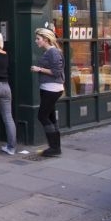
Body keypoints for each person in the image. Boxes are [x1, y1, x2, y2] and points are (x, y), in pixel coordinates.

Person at [30, 27, 65, 157]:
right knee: (50, 117)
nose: (36, 41)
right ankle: (56, 147)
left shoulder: (53, 52)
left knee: (42, 116)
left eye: (38, 39)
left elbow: (56, 72)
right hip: (48, 88)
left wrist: (39, 69)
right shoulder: (50, 52)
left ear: (45, 39)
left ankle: (54, 147)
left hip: (52, 88)